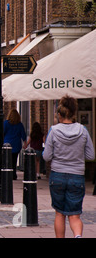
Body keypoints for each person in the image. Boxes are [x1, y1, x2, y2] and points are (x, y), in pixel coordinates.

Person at [43, 95, 94, 238]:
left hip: (57, 175)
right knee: (75, 215)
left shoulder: (53, 131)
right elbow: (90, 155)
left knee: (60, 213)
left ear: (59, 114)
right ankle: (77, 236)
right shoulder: (83, 130)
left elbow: (46, 156)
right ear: (74, 113)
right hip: (77, 176)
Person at [3, 109, 27, 180]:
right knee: (14, 160)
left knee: (7, 160)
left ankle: (8, 174)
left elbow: (3, 133)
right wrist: (25, 143)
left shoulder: (6, 123)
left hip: (7, 144)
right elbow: (23, 135)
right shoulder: (19, 124)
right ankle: (13, 174)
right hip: (16, 144)